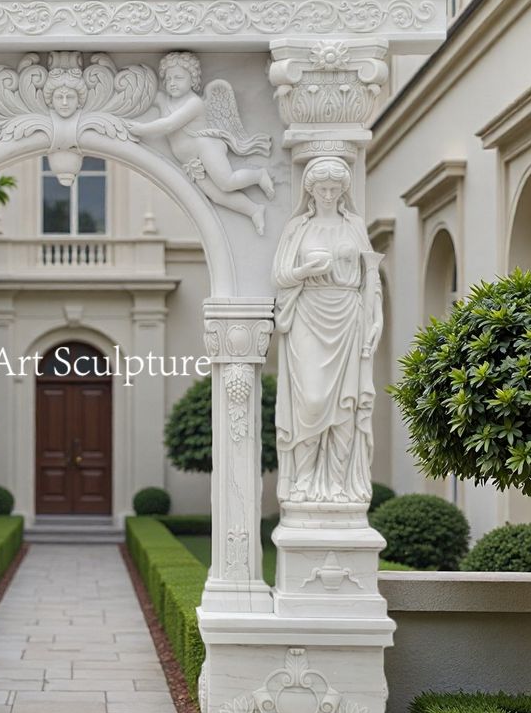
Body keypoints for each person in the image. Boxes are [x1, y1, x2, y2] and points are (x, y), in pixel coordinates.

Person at [272, 156, 382, 504]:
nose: (330, 195)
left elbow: (370, 278)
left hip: (348, 314)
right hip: (308, 312)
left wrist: (373, 319)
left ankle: (338, 485)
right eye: (323, 189)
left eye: (335, 188)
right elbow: (280, 276)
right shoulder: (297, 229)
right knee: (312, 401)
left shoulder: (354, 225)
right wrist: (305, 270)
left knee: (345, 406)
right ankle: (303, 481)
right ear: (311, 190)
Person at [128, 51, 274, 235]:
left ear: (193, 79)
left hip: (206, 147)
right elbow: (144, 92)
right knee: (216, 195)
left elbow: (169, 124)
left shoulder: (194, 103)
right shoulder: (164, 100)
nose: (172, 82)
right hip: (191, 161)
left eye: (179, 77)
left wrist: (142, 129)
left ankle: (259, 175)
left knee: (227, 182)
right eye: (168, 78)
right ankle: (254, 210)